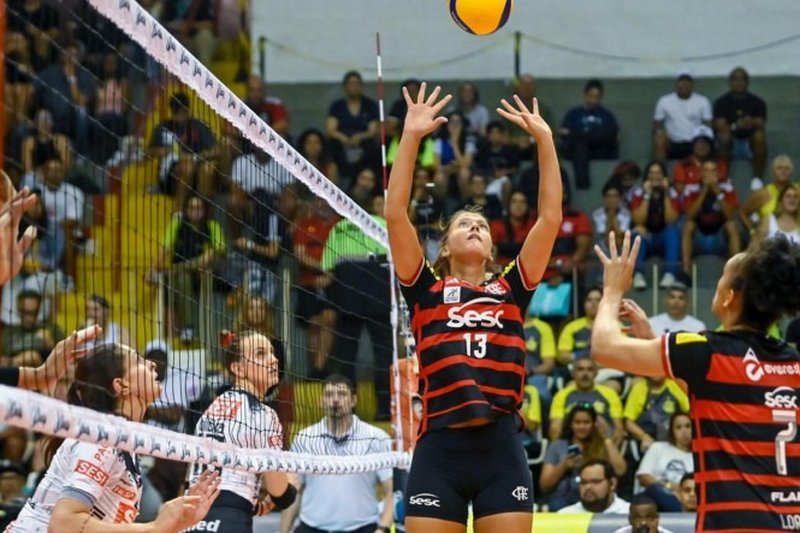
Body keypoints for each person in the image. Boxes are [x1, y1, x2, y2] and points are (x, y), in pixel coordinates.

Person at [386, 83, 562, 532]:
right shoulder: (425, 288)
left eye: (482, 225)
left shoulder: (511, 288)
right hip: (440, 449)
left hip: (500, 449)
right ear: (444, 247)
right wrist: (410, 137)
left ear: (489, 248)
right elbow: (395, 216)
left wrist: (545, 140)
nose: (475, 228)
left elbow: (549, 219)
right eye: (465, 223)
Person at [591, 230, 800, 531]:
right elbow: (709, 394)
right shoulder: (791, 362)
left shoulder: (705, 350)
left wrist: (612, 290)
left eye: (723, 275)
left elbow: (604, 347)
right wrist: (650, 340)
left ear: (730, 296)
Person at [8, 343, 221, 532]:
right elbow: (63, 525)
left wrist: (175, 523)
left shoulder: (123, 441)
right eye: (139, 361)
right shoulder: (101, 439)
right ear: (121, 385)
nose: (152, 365)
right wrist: (155, 527)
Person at [187, 331, 296, 532]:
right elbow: (281, 495)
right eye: (261, 354)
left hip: (191, 518)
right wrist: (291, 481)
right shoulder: (263, 415)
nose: (273, 360)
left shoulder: (212, 408)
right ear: (238, 368)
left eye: (272, 353)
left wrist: (254, 504)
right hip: (231, 520)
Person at [279, 374, 393, 533]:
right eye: (329, 394)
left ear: (354, 400)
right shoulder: (305, 438)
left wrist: (383, 529)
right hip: (311, 528)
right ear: (321, 401)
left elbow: (392, 491)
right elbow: (294, 492)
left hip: (363, 528)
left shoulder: (377, 437)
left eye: (342, 394)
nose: (335, 400)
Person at [540, 404, 627, 511]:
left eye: (586, 422)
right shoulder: (557, 445)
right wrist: (564, 465)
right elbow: (545, 484)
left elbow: (620, 470)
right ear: (570, 424)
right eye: (577, 422)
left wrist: (606, 439)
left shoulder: (602, 445)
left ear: (594, 424)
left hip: (596, 498)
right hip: (563, 498)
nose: (581, 427)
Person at [559, 78, 620, 190]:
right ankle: (582, 183)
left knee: (583, 139)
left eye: (597, 97)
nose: (593, 100)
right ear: (585, 95)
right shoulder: (574, 113)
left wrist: (580, 134)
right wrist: (585, 136)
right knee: (580, 145)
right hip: (578, 150)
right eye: (591, 96)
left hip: (599, 149)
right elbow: (563, 132)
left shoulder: (606, 115)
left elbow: (611, 133)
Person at [713, 67, 767, 187]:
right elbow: (719, 125)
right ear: (729, 82)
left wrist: (751, 122)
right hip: (729, 145)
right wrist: (736, 125)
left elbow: (761, 123)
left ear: (748, 83)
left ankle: (757, 178)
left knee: (759, 136)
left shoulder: (757, 102)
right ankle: (724, 178)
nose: (739, 82)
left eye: (742, 79)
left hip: (749, 144)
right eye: (735, 79)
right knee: (724, 136)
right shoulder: (721, 102)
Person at [635, 412, 694, 512]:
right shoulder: (658, 447)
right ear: (672, 431)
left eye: (688, 426)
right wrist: (669, 486)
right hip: (658, 496)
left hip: (686, 499)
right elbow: (643, 477)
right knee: (654, 489)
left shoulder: (698, 456)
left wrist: (681, 493)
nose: (684, 431)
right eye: (678, 427)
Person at [652, 72, 712, 163]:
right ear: (676, 83)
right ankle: (661, 173)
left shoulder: (703, 101)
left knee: (705, 140)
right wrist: (663, 135)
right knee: (659, 137)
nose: (684, 84)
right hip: (672, 142)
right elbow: (656, 126)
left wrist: (702, 139)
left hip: (695, 142)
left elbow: (709, 126)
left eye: (688, 81)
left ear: (693, 84)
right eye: (681, 81)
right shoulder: (664, 101)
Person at [557, 459, 630, 514]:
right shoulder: (565, 516)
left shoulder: (628, 513)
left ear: (612, 484)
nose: (588, 487)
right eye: (584, 482)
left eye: (595, 482)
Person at [750, 183, 800, 248]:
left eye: (795, 196)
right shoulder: (769, 220)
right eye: (788, 196)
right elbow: (754, 248)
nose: (792, 199)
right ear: (780, 201)